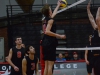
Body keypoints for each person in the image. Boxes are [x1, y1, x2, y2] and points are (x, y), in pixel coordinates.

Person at [41, 1, 66, 75]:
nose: (51, 9)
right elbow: (47, 31)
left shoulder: (45, 19)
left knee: (47, 65)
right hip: (50, 42)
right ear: (49, 11)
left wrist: (58, 5)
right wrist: (59, 35)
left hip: (45, 42)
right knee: (50, 65)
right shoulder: (50, 20)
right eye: (50, 9)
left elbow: (53, 14)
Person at [87, 0, 100, 75]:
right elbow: (91, 19)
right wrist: (88, 10)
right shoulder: (95, 29)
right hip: (94, 58)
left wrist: (99, 9)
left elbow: (97, 19)